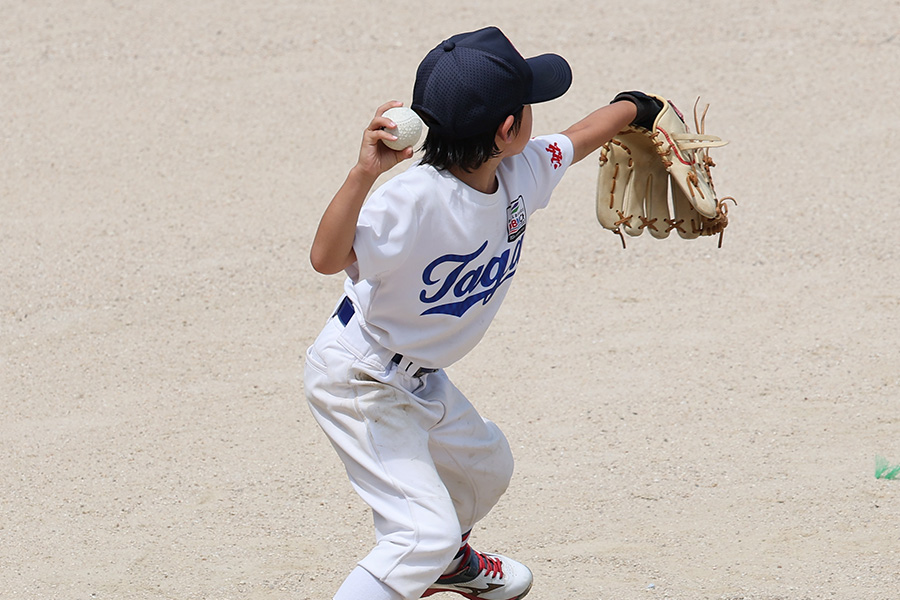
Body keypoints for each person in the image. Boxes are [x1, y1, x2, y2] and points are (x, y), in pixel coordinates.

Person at [305, 26, 661, 600]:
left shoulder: (521, 172)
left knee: (485, 471)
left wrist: (637, 108)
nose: (536, 114)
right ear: (505, 129)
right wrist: (364, 173)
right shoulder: (413, 199)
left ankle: (446, 566)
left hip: (421, 377)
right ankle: (431, 555)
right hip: (360, 377)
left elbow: (577, 138)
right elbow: (326, 258)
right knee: (421, 534)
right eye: (529, 104)